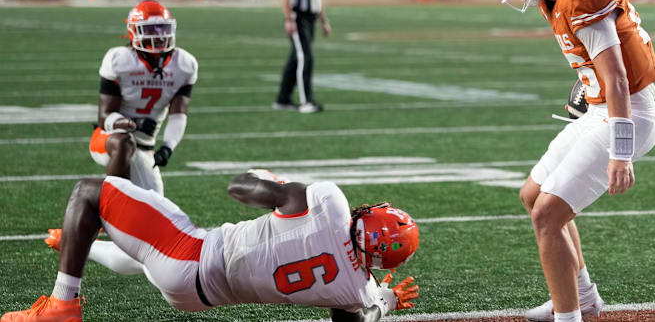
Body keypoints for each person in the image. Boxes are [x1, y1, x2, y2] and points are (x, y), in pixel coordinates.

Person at [483, 0, 655, 321]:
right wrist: (586, 88)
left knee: (548, 214)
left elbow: (616, 76)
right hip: (605, 107)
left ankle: (569, 317)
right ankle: (582, 297)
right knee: (532, 196)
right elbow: (602, 71)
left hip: (628, 112)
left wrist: (621, 152)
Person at [2, 152, 420, 321]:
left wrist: (267, 179)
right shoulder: (356, 291)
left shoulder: (330, 205)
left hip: (193, 252)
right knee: (145, 258)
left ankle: (61, 306)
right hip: (197, 299)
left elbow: (238, 188)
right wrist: (380, 301)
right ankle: (82, 246)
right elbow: (357, 313)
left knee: (88, 194)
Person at [88, 0, 197, 196]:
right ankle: (112, 209)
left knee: (156, 211)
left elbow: (178, 115)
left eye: (163, 28)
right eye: (151, 29)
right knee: (124, 142)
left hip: (146, 147)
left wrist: (168, 147)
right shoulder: (119, 60)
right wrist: (134, 123)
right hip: (109, 138)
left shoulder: (184, 64)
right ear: (134, 31)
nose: (159, 35)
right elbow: (104, 117)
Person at [274, 0, 330, 114]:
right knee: (306, 57)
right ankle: (307, 101)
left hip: (311, 19)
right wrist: (289, 18)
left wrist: (323, 20)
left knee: (296, 58)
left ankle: (283, 98)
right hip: (298, 18)